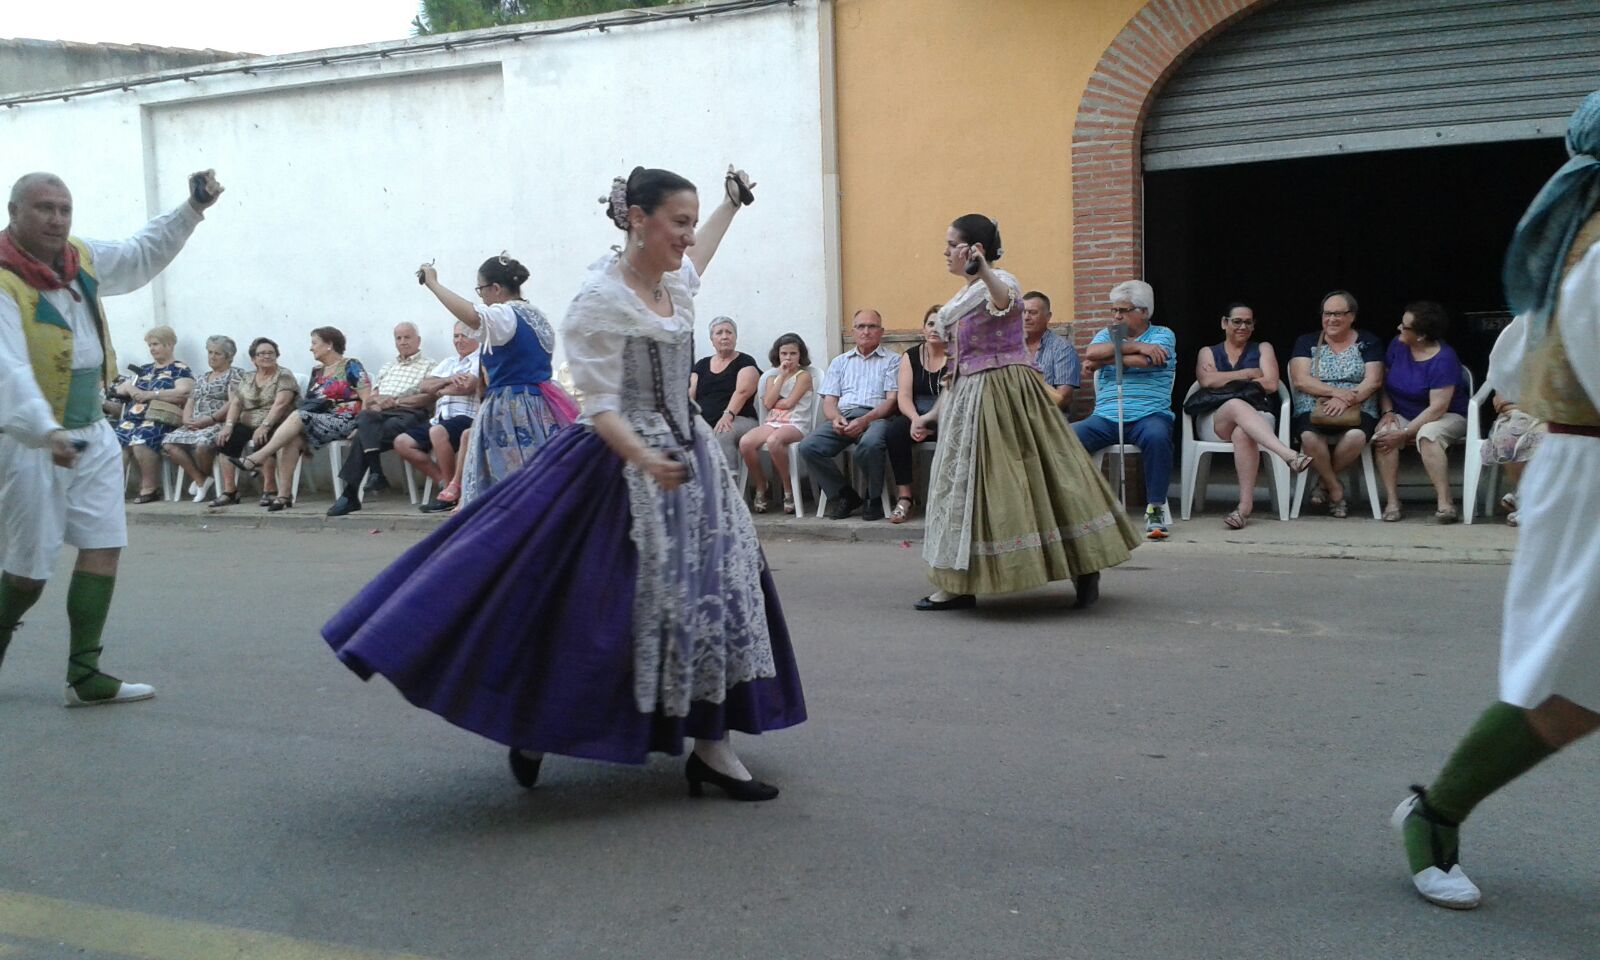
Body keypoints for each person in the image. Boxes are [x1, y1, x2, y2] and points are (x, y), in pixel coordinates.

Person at [323, 165, 804, 799]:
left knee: (714, 594)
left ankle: (713, 748)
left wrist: (729, 206)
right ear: (638, 220)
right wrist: (647, 460)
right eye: (679, 222)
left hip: (688, 459)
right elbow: (599, 406)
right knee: (592, 605)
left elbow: (700, 258)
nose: (689, 236)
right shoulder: (598, 299)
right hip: (620, 461)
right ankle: (536, 724)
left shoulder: (671, 282)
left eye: (692, 222)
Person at [1392, 90, 1600, 912]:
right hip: (1590, 479)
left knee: (1577, 690)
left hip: (1581, 469)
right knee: (1565, 690)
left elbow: (1517, 365)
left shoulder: (1578, 248)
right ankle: (1435, 816)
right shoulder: (1594, 252)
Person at [0, 168, 221, 706]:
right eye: (44, 208)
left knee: (103, 544)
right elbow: (8, 370)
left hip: (93, 430)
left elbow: (139, 253)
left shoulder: (79, 257)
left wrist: (191, 209)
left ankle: (85, 675)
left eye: (64, 209)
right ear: (13, 212)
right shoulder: (3, 279)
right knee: (28, 573)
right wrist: (45, 429)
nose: (56, 219)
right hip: (29, 440)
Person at [917, 214, 1139, 611]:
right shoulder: (960, 298)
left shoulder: (1001, 281)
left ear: (974, 249)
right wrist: (936, 412)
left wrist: (984, 270)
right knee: (964, 488)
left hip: (1006, 393)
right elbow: (957, 361)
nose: (946, 252)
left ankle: (1084, 567)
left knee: (1036, 479)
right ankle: (959, 584)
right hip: (967, 397)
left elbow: (1005, 301)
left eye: (952, 245)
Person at [416, 253, 577, 507]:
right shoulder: (536, 316)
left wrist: (433, 283)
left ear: (496, 288)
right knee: (540, 477)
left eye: (481, 290)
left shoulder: (506, 314)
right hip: (541, 404)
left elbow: (472, 317)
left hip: (511, 408)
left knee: (508, 484)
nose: (481, 297)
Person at [1072, 281, 1179, 539]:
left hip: (1149, 414)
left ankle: (1155, 508)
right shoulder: (1108, 333)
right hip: (1106, 417)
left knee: (1158, 437)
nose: (1116, 316)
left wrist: (1103, 361)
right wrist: (1135, 346)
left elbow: (1148, 361)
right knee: (1065, 437)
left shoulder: (1163, 334)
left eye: (1123, 310)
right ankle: (1077, 507)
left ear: (1144, 312)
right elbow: (1092, 351)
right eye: (1114, 310)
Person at [1191, 302, 1311, 529]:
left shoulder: (1263, 348)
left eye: (1248, 322)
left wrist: (1224, 379)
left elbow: (1271, 383)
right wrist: (1248, 374)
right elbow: (1206, 381)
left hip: (1258, 415)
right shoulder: (1208, 352)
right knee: (1235, 404)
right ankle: (1287, 454)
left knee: (1242, 432)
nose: (1243, 327)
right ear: (1224, 323)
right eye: (1237, 321)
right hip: (1216, 419)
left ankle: (1244, 508)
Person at [230, 327, 370, 512]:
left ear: (329, 345)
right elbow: (311, 402)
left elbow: (367, 399)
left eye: (314, 343)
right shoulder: (317, 371)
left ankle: (257, 457)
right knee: (292, 439)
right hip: (319, 419)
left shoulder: (351, 365)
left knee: (297, 415)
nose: (311, 348)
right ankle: (284, 496)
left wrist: (361, 426)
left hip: (346, 420)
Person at [1287, 291, 1385, 518]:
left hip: (1358, 405)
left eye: (1338, 314)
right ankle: (1336, 489)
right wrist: (1336, 393)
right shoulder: (1307, 341)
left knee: (1356, 437)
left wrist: (1347, 399)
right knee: (1309, 437)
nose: (1331, 319)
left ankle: (1323, 484)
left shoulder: (1368, 341)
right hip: (1314, 405)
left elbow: (1374, 381)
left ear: (1352, 316)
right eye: (1327, 314)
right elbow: (1301, 379)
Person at [1373, 301, 1471, 523]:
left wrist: (1405, 432)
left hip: (1447, 415)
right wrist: (1388, 412)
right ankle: (1392, 501)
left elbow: (1437, 408)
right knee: (1384, 436)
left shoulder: (1444, 358)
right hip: (1403, 411)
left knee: (1428, 435)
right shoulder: (1397, 345)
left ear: (1420, 335)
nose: (1399, 327)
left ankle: (1445, 503)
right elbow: (1383, 383)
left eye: (1404, 326)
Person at [797, 309, 900, 520]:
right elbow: (829, 401)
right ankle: (845, 495)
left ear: (881, 331)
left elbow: (892, 401)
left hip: (877, 418)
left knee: (870, 444)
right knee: (808, 446)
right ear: (853, 332)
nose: (866, 331)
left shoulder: (894, 360)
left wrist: (865, 420)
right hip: (844, 417)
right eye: (861, 326)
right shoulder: (840, 362)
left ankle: (873, 497)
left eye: (872, 326)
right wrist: (835, 418)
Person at [325, 322, 435, 516]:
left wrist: (395, 401)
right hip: (380, 415)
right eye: (398, 338)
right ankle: (374, 475)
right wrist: (377, 403)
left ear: (418, 341)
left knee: (363, 433)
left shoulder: (430, 365)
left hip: (410, 414)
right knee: (366, 417)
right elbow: (371, 399)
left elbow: (428, 398)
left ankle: (352, 492)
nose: (403, 342)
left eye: (407, 337)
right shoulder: (388, 367)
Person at [395, 321, 481, 511]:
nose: (459, 340)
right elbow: (424, 386)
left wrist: (439, 389)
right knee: (402, 442)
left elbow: (467, 386)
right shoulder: (449, 362)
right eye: (456, 336)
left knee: (437, 431)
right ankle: (444, 482)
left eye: (464, 336)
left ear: (477, 337)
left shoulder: (480, 358)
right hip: (441, 417)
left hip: (466, 416)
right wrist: (449, 380)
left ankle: (451, 494)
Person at [212, 337, 299, 507]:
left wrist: (265, 425)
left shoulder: (284, 375)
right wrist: (228, 426)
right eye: (262, 353)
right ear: (253, 358)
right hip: (248, 421)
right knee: (226, 440)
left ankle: (269, 489)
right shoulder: (248, 377)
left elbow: (281, 404)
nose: (267, 356)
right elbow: (236, 403)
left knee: (264, 438)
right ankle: (230, 491)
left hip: (275, 421)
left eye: (271, 353)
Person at [112, 325, 195, 502]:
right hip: (133, 419)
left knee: (141, 439)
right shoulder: (144, 369)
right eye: (150, 345)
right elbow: (120, 389)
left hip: (160, 419)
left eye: (156, 344)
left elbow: (184, 392)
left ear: (170, 344)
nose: (152, 349)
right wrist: (130, 388)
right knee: (115, 441)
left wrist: (151, 394)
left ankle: (149, 488)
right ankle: (113, 490)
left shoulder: (179, 369)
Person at [883, 305, 947, 523]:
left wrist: (930, 422)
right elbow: (903, 396)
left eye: (942, 324)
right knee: (895, 432)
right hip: (916, 412)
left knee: (960, 432)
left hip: (946, 413)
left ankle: (949, 500)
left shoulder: (958, 355)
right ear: (923, 328)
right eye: (931, 324)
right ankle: (905, 498)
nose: (935, 329)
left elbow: (955, 396)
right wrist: (915, 419)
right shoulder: (911, 356)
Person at [162, 335, 245, 503]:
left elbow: (233, 403)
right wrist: (186, 419)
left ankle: (203, 479)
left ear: (229, 356)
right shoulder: (201, 377)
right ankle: (201, 479)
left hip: (218, 422)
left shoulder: (235, 374)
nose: (212, 357)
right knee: (168, 443)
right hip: (195, 423)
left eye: (217, 353)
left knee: (202, 445)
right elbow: (190, 401)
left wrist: (210, 419)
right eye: (210, 352)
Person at [739, 332, 815, 514]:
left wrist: (776, 401)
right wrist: (781, 377)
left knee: (774, 441)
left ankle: (787, 488)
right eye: (784, 354)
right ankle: (761, 485)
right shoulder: (771, 378)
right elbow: (767, 403)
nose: (788, 358)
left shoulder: (803, 376)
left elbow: (789, 404)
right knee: (746, 442)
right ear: (778, 355)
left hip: (796, 423)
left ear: (800, 355)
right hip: (773, 422)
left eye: (793, 354)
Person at [1480, 321, 1546, 526]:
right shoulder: (1515, 349)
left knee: (1545, 437)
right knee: (1509, 437)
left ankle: (1529, 500)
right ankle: (1525, 497)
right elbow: (1500, 397)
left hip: (1554, 415)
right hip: (1517, 413)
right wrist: (1512, 406)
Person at [690, 316, 759, 471]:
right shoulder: (701, 365)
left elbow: (742, 392)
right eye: (719, 333)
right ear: (712, 339)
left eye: (729, 332)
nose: (724, 336)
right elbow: (690, 393)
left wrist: (728, 415)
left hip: (740, 419)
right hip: (705, 420)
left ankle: (728, 479)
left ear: (735, 337)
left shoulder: (745, 361)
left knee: (723, 431)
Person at [1023, 290, 1080, 413]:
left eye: (1033, 312)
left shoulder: (1062, 348)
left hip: (1047, 417)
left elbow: (1064, 398)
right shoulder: (1010, 349)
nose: (1026, 317)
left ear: (1048, 317)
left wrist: (1031, 417)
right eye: (1023, 312)